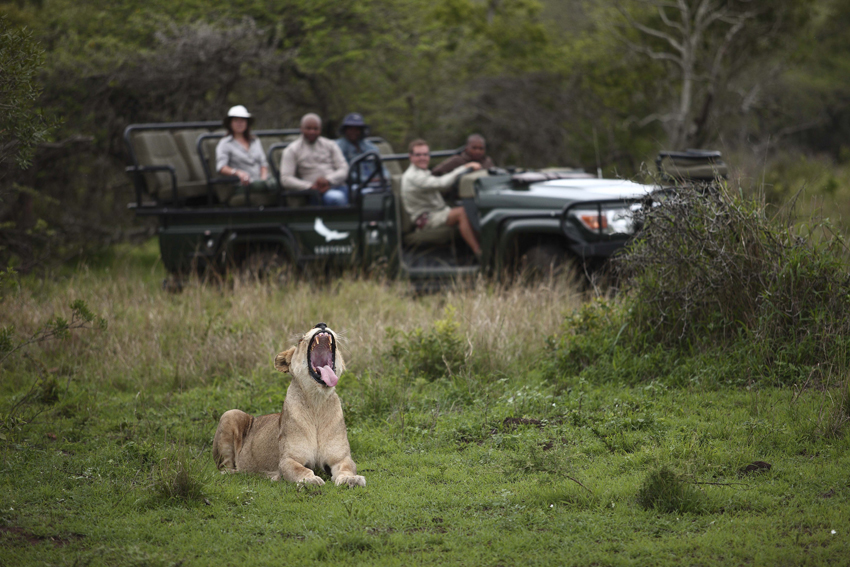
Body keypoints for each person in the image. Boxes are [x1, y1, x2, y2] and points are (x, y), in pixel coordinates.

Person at [401, 139, 482, 258]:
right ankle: (479, 253)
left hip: (436, 213)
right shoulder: (413, 176)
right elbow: (442, 183)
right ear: (410, 157)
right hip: (426, 219)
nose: (422, 158)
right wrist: (464, 167)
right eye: (418, 155)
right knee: (462, 213)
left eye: (425, 154)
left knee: (470, 208)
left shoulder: (421, 171)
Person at [280, 113, 350, 206]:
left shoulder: (330, 145)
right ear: (301, 128)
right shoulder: (292, 150)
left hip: (337, 186)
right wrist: (310, 186)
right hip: (313, 193)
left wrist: (328, 180)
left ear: (320, 130)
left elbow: (344, 168)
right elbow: (285, 179)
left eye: (315, 129)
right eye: (308, 128)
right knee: (337, 198)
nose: (312, 132)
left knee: (363, 193)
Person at [215, 105, 275, 201]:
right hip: (243, 184)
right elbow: (221, 167)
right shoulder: (225, 143)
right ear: (230, 123)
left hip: (262, 181)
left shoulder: (255, 140)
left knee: (279, 182)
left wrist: (263, 179)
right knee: (272, 185)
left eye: (242, 120)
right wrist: (238, 173)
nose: (240, 123)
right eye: (236, 120)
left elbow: (263, 164)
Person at [335, 112, 389, 186]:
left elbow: (381, 167)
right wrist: (367, 180)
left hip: (375, 183)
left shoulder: (371, 147)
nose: (354, 132)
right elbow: (344, 171)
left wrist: (384, 177)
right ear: (345, 130)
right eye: (350, 129)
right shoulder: (337, 147)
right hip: (352, 185)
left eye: (357, 129)